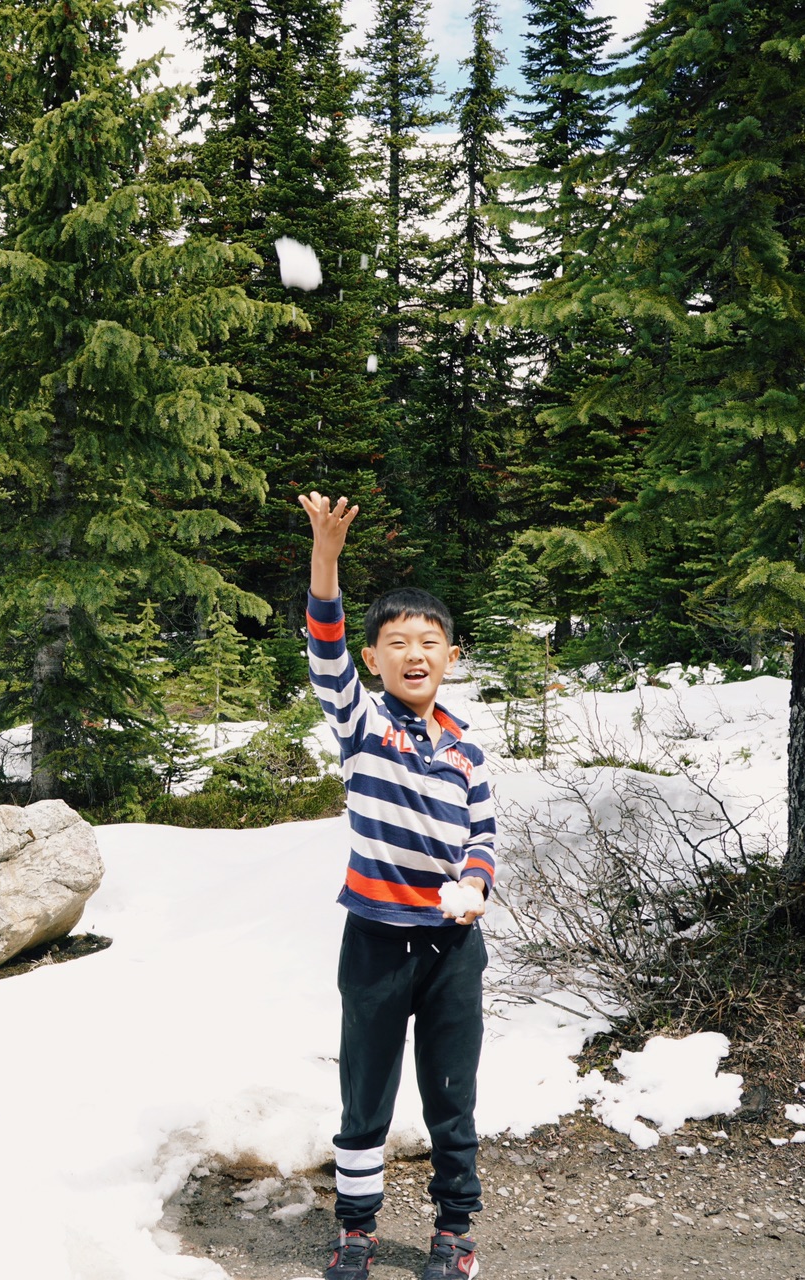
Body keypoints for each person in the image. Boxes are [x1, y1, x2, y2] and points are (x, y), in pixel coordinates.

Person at [298, 491, 495, 1280]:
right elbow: (323, 647)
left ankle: (455, 1232)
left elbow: (482, 838)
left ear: (452, 656)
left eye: (429, 641)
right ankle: (356, 1230)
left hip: (453, 946)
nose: (414, 653)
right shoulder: (361, 724)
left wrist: (475, 886)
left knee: (451, 1096)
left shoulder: (468, 753)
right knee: (365, 1094)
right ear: (376, 659)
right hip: (375, 940)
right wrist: (327, 557)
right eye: (396, 642)